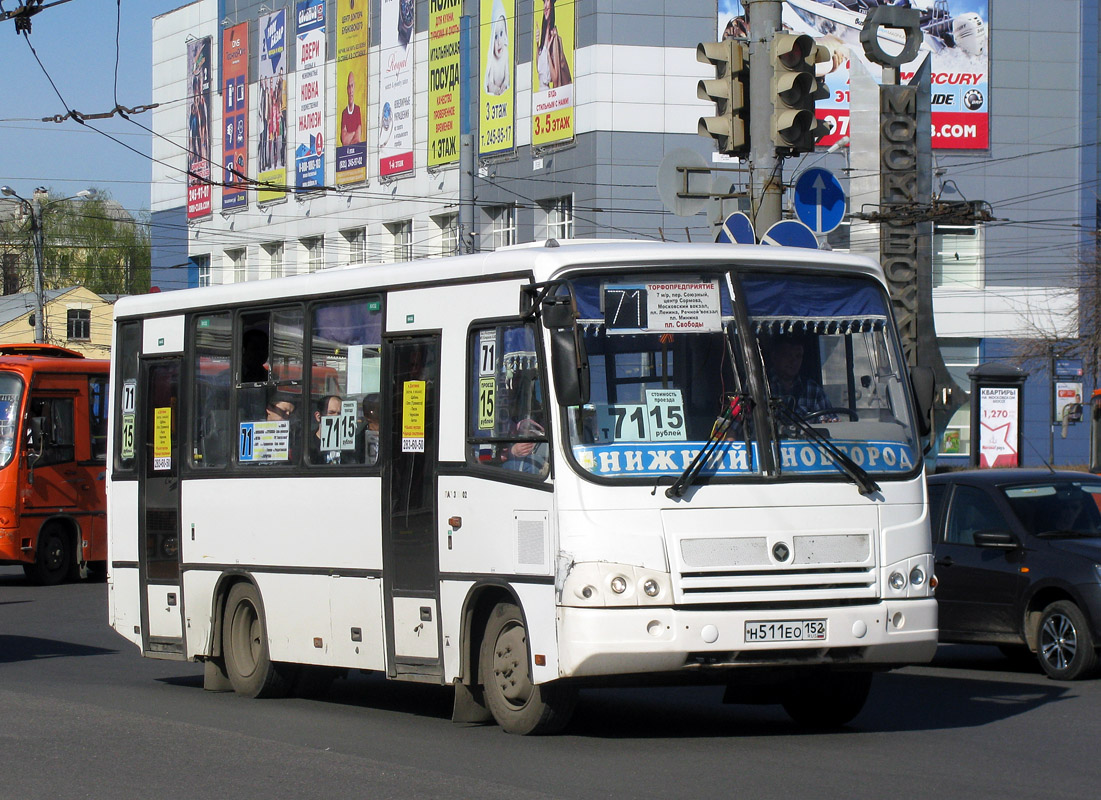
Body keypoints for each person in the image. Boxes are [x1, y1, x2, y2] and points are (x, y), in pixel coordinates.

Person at [765, 336, 832, 418]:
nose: (793, 361)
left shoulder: (813, 390)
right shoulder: (759, 387)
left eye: (798, 356)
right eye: (788, 355)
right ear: (774, 357)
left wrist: (828, 421)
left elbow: (830, 420)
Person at [535, 0, 571, 90]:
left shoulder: (554, 39)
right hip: (539, 96)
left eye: (547, 2)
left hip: (548, 96)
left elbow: (555, 79)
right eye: (544, 2)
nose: (545, 6)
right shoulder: (542, 39)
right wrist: (537, 44)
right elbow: (539, 70)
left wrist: (548, 53)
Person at [310, 394, 345, 465]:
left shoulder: (349, 443)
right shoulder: (307, 445)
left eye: (340, 414)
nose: (336, 417)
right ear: (318, 417)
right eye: (331, 413)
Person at [340, 71, 363, 146]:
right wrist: (354, 133)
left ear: (354, 87)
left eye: (352, 86)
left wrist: (349, 134)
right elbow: (344, 140)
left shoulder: (357, 110)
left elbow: (358, 138)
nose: (351, 90)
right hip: (345, 154)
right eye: (349, 86)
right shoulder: (344, 113)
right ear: (347, 89)